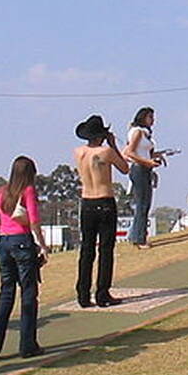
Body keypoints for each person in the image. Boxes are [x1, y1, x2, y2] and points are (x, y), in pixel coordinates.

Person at [0, 156, 49, 359]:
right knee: (28, 293)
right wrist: (43, 246)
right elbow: (34, 221)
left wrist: (2, 229)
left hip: (4, 242)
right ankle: (28, 344)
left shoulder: (3, 192)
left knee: (6, 292)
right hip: (22, 242)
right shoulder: (27, 191)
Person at [73, 115, 128, 307]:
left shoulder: (78, 152)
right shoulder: (106, 152)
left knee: (87, 249)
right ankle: (102, 292)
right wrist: (113, 145)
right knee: (106, 250)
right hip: (104, 200)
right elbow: (124, 168)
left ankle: (82, 293)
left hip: (86, 201)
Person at [123, 107, 163, 248]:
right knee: (142, 204)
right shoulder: (138, 132)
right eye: (150, 117)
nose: (153, 120)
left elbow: (142, 152)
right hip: (139, 169)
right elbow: (129, 152)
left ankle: (137, 235)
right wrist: (148, 162)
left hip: (145, 169)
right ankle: (139, 238)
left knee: (145, 204)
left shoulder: (145, 134)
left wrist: (156, 156)